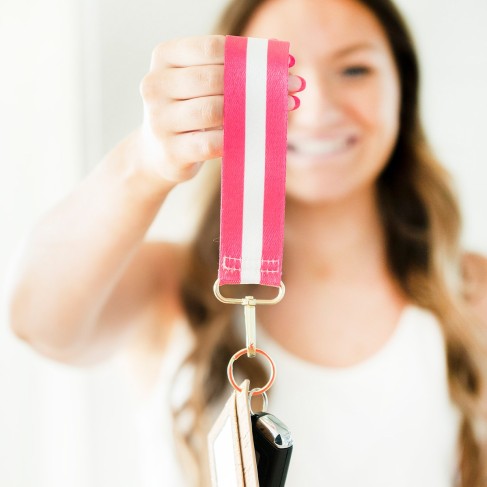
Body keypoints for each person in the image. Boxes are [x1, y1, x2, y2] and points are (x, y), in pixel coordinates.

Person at [6, 0, 487, 485]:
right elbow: (36, 320)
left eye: (355, 69)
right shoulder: (169, 287)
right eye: (281, 73)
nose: (316, 105)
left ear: (402, 86)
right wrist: (145, 161)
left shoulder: (472, 293)